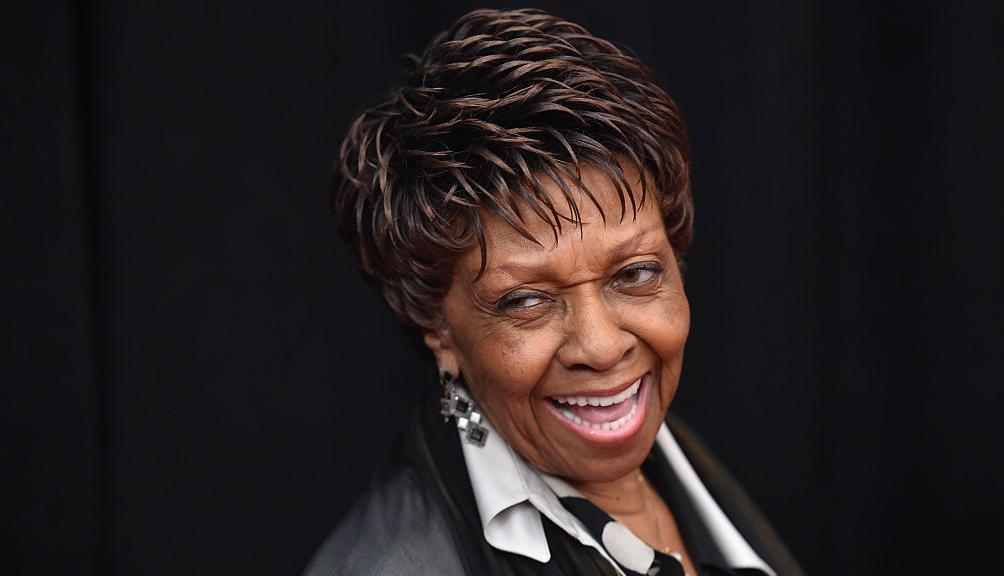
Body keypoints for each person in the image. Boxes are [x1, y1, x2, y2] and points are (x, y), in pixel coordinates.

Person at [307, 8, 802, 576]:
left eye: (634, 273)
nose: (601, 346)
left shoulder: (666, 450)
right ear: (435, 324)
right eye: (526, 300)